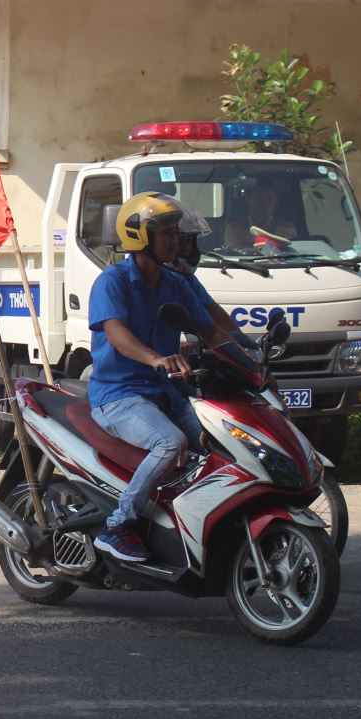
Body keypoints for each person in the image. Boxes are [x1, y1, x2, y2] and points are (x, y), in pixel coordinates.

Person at [88, 193, 233, 562]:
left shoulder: (175, 284)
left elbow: (212, 330)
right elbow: (117, 334)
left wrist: (250, 360)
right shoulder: (112, 281)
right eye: (165, 233)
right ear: (138, 236)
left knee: (223, 439)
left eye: (174, 232)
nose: (175, 240)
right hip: (119, 396)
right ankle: (118, 525)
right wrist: (156, 358)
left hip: (165, 392)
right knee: (171, 443)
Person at [223, 179, 298, 250]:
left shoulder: (287, 228)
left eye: (270, 197)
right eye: (259, 197)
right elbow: (233, 256)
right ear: (248, 200)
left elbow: (292, 254)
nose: (266, 202)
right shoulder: (235, 229)